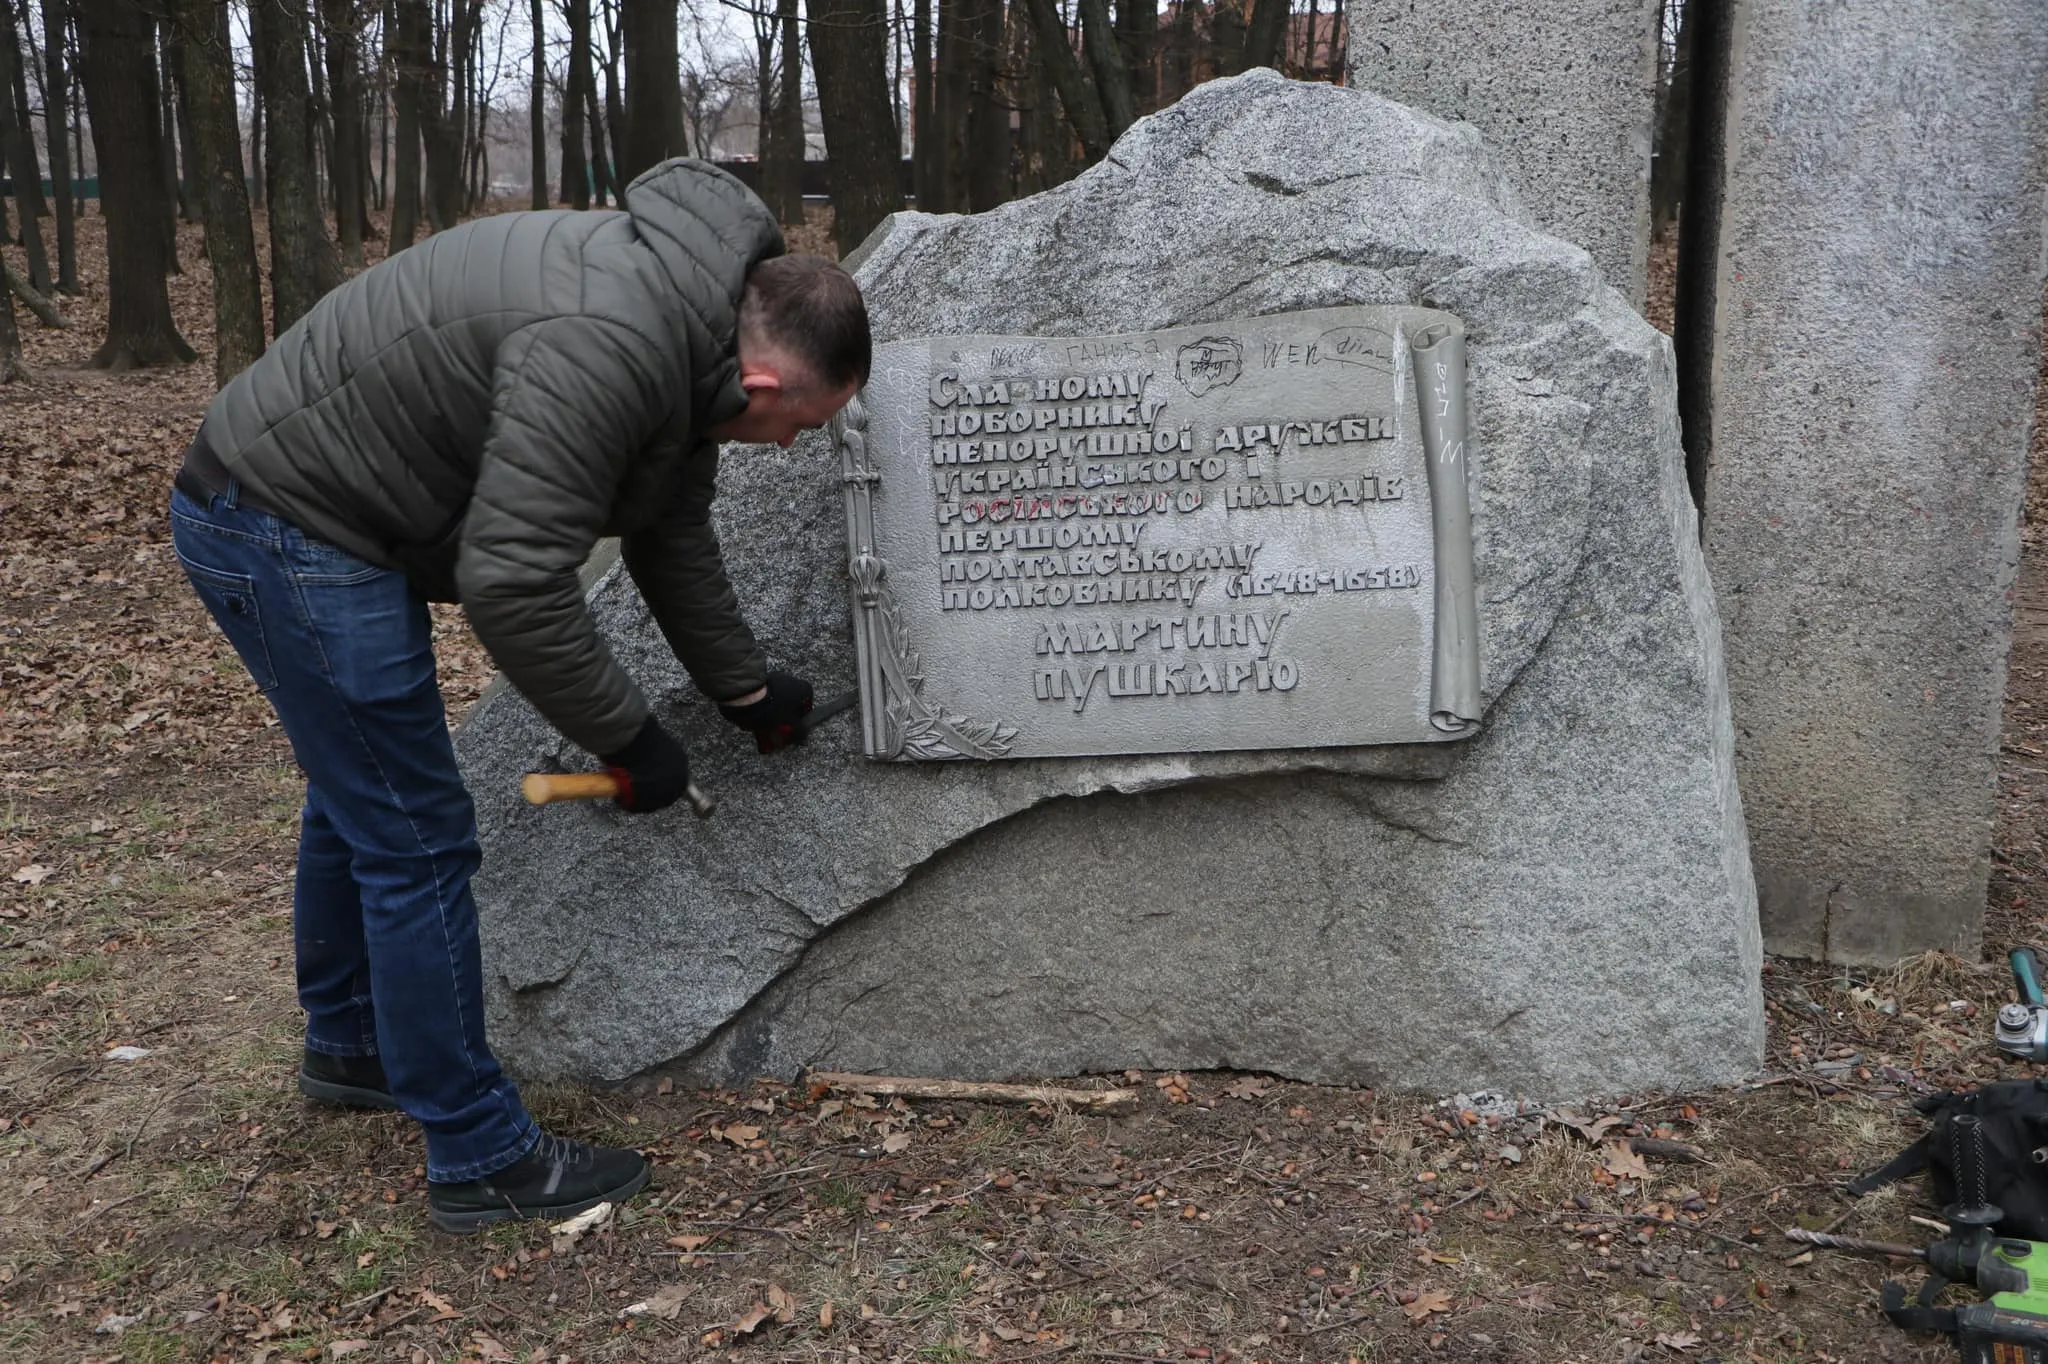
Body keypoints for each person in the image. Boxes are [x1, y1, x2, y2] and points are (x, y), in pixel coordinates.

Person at [167, 158, 868, 1233]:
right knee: (415, 835)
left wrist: (742, 687)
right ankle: (480, 1150)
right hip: (285, 516)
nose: (788, 449)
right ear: (765, 388)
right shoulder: (615, 345)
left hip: (329, 509)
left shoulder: (692, 329)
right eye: (802, 429)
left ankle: (353, 1042)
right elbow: (512, 579)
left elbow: (667, 529)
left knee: (363, 792)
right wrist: (627, 736)